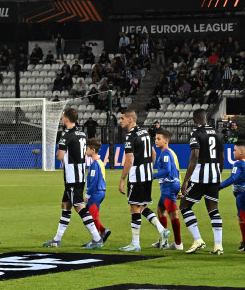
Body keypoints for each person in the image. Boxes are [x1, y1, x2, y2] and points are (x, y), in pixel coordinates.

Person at [42, 108, 103, 249]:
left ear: (67, 119)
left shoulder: (66, 135)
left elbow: (59, 156)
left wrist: (60, 147)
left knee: (79, 207)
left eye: (63, 117)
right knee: (65, 206)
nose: (62, 119)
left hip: (72, 178)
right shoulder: (82, 133)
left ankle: (97, 237)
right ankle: (57, 239)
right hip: (79, 174)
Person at [117, 109, 170, 251]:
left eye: (122, 118)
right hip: (147, 175)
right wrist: (149, 169)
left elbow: (129, 160)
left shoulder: (130, 136)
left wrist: (122, 179)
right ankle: (162, 230)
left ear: (130, 119)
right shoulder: (145, 132)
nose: (120, 121)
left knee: (134, 208)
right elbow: (153, 153)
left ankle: (135, 243)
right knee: (142, 206)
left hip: (136, 176)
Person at [179, 109, 224, 255]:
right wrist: (218, 174)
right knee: (213, 209)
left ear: (194, 119)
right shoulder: (218, 133)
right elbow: (221, 157)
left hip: (199, 176)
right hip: (214, 176)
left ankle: (198, 240)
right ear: (206, 118)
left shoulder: (196, 133)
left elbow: (195, 156)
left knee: (185, 206)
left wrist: (186, 180)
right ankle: (218, 245)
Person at [219, 139, 245, 253]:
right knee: (241, 217)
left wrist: (219, 186)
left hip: (243, 195)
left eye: (235, 150)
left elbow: (233, 178)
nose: (233, 152)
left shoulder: (239, 163)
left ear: (241, 152)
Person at [151, 129, 183, 250]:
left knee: (173, 214)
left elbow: (167, 171)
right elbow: (177, 170)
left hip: (168, 186)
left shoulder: (165, 154)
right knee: (160, 210)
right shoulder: (171, 153)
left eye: (159, 139)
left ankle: (178, 243)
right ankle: (162, 240)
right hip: (172, 185)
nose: (156, 141)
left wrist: (152, 176)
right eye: (155, 138)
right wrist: (179, 189)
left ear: (166, 140)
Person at [83, 138, 111, 244]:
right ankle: (103, 231)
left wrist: (87, 195)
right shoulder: (99, 162)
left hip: (96, 193)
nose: (86, 150)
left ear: (93, 150)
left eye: (87, 148)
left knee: (91, 218)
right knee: (88, 216)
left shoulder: (95, 164)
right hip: (99, 192)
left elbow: (94, 182)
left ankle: (97, 239)